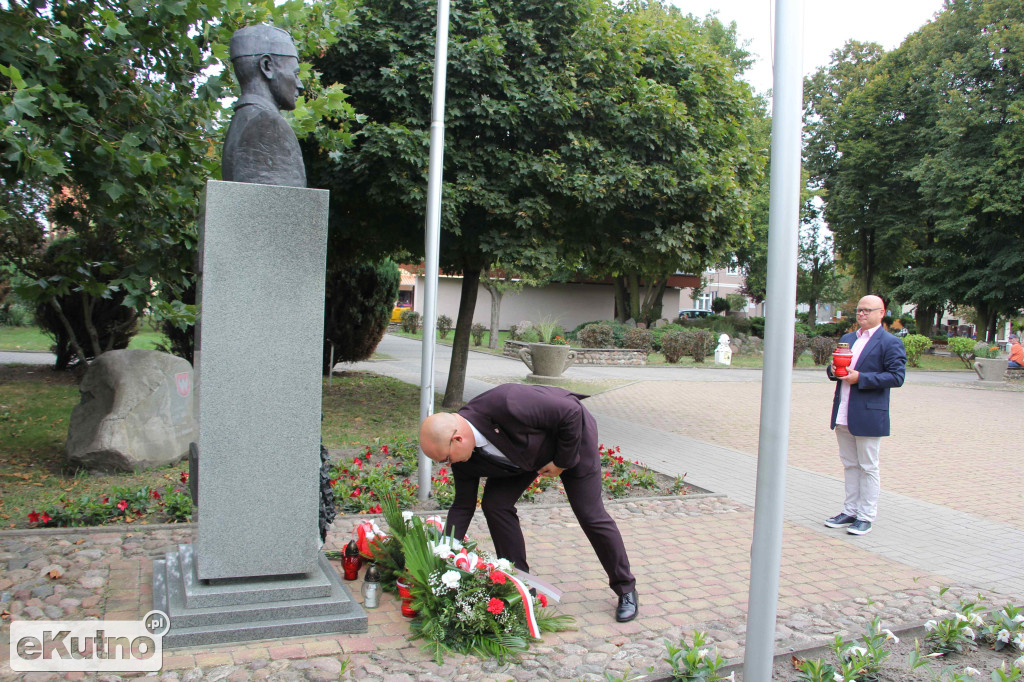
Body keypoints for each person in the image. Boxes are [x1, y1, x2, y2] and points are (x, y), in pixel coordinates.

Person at [419, 384, 639, 622]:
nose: (448, 465)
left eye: (446, 459)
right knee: (495, 505)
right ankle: (521, 585)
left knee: (590, 514)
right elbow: (463, 506)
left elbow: (571, 412)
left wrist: (561, 462)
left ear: (457, 439)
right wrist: (444, 554)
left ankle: (625, 588)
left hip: (571, 441)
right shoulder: (463, 457)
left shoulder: (508, 402)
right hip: (525, 454)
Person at [824, 294, 906, 536]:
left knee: (868, 466)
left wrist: (861, 378)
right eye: (859, 310)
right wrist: (833, 370)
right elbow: (837, 369)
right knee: (849, 464)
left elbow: (897, 377)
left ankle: (866, 516)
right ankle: (849, 510)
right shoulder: (848, 339)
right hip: (843, 410)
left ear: (882, 313)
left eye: (868, 310)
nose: (862, 314)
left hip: (869, 413)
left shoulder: (890, 342)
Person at [222, 25, 307, 187]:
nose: (300, 85)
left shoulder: (242, 120)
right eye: (295, 74)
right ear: (267, 66)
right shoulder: (268, 125)